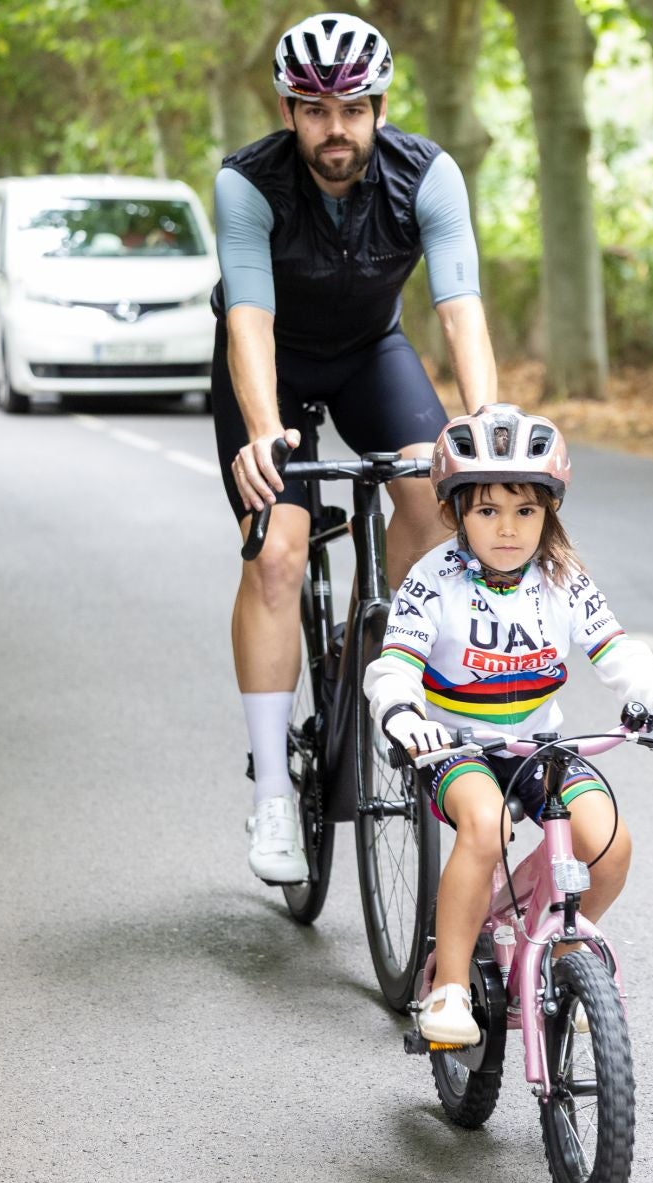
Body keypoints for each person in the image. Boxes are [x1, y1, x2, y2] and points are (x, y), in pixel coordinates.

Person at [217, 12, 501, 884]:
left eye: (349, 110)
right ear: (287, 109)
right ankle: (272, 792)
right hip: (273, 367)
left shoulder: (429, 175)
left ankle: (365, 656)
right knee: (279, 552)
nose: (332, 130)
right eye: (312, 110)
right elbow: (249, 318)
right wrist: (265, 429)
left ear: (378, 106)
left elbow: (459, 307)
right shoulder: (249, 182)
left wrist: (484, 424)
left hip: (372, 354)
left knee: (433, 501)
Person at [362, 406, 653, 1046]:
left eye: (525, 512)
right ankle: (447, 988)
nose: (508, 530)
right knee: (486, 823)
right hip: (456, 745)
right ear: (455, 513)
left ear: (549, 513)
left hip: (541, 744)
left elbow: (619, 654)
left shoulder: (562, 578)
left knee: (608, 844)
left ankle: (553, 957)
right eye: (488, 511)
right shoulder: (433, 580)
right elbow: (394, 666)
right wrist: (402, 714)